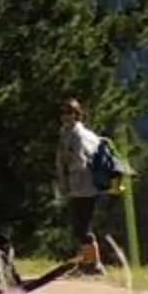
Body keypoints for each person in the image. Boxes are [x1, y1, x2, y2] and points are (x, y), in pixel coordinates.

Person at [55, 96, 126, 274]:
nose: (66, 116)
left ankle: (94, 264)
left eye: (70, 112)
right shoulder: (70, 132)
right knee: (80, 226)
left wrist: (66, 165)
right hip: (81, 187)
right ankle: (87, 263)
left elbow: (79, 163)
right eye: (64, 112)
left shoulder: (77, 135)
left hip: (83, 187)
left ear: (77, 115)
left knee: (82, 227)